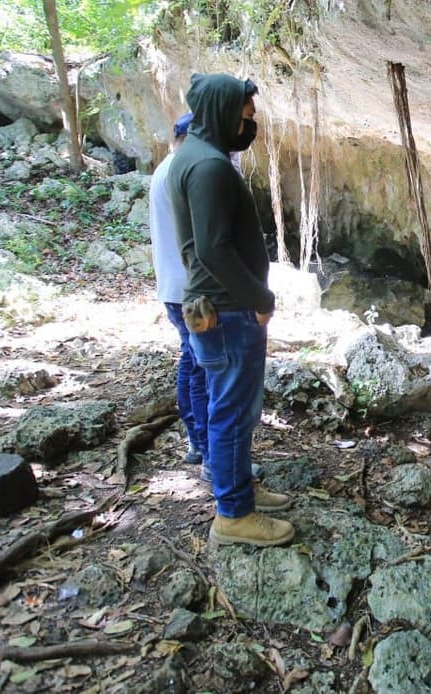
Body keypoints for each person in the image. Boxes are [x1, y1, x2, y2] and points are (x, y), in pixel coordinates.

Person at [166, 72, 293, 547]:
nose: (251, 122)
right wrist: (260, 300)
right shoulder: (210, 167)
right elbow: (214, 250)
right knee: (233, 413)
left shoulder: (195, 157)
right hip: (228, 312)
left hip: (219, 307)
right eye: (247, 115)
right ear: (224, 112)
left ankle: (241, 491)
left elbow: (198, 247)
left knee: (232, 408)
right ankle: (234, 515)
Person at [149, 113, 209, 470]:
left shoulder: (166, 168)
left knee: (192, 361)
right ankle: (205, 447)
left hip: (176, 286)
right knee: (201, 366)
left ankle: (196, 441)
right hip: (191, 289)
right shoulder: (184, 171)